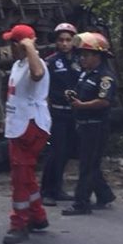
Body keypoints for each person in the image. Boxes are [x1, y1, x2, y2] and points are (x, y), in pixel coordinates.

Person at [1, 24, 52, 244]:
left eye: (13, 43)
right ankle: (38, 216)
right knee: (26, 176)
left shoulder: (35, 64)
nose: (10, 47)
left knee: (20, 178)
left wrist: (29, 46)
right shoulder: (17, 65)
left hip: (29, 126)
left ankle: (19, 224)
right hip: (18, 125)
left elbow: (38, 73)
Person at [61, 32, 117, 217]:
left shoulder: (105, 77)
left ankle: (81, 203)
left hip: (96, 126)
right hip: (83, 124)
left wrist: (82, 105)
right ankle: (105, 195)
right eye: (81, 55)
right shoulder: (86, 74)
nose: (82, 58)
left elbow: (104, 101)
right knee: (90, 163)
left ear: (97, 56)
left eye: (86, 55)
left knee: (87, 165)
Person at [40, 22, 81, 206]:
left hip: (75, 113)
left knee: (66, 153)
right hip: (57, 113)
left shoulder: (80, 61)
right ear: (56, 42)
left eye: (68, 40)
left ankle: (58, 188)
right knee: (55, 153)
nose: (65, 43)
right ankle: (47, 191)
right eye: (61, 40)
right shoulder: (50, 62)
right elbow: (44, 90)